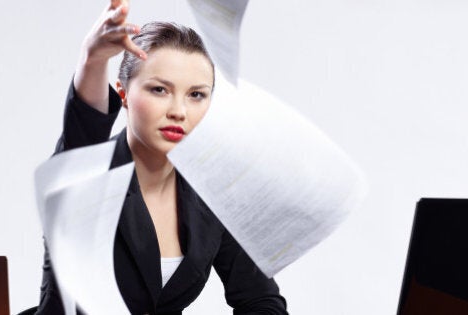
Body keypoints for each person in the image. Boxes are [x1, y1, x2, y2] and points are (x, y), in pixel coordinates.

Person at [36, 1, 289, 314]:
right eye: (159, 90)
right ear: (123, 93)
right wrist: (92, 59)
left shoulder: (215, 192)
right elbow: (82, 138)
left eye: (196, 94)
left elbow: (261, 301)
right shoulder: (88, 172)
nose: (178, 111)